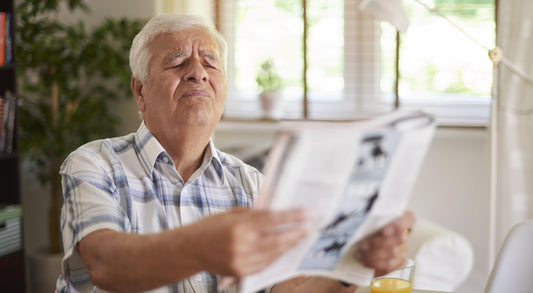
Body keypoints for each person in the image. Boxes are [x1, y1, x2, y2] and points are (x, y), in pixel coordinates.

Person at [56, 14, 415, 293]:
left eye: (211, 63)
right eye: (177, 62)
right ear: (140, 91)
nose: (198, 72)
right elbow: (103, 263)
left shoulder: (251, 183)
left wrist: (352, 266)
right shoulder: (94, 163)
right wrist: (200, 247)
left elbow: (282, 288)